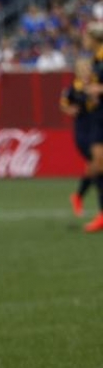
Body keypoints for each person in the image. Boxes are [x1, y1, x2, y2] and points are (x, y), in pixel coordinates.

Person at [60, 57, 98, 218]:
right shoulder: (72, 89)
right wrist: (69, 110)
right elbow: (63, 104)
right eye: (82, 68)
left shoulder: (95, 86)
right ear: (77, 71)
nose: (85, 71)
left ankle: (78, 197)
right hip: (83, 131)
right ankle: (79, 197)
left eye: (87, 68)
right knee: (96, 164)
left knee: (93, 167)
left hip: (96, 128)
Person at [81, 22, 103, 233]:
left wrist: (98, 88)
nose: (84, 41)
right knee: (97, 165)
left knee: (98, 164)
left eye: (86, 37)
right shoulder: (95, 59)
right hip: (98, 115)